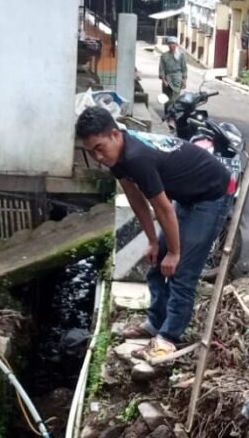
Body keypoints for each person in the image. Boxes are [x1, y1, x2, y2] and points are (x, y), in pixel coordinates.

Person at [76, 106, 233, 359]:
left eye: (99, 148)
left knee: (182, 270)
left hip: (211, 195)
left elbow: (163, 209)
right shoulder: (117, 157)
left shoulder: (138, 158)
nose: (98, 157)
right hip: (186, 195)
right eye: (91, 151)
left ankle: (168, 338)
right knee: (156, 263)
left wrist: (174, 251)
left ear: (115, 135)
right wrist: (152, 241)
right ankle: (155, 323)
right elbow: (136, 199)